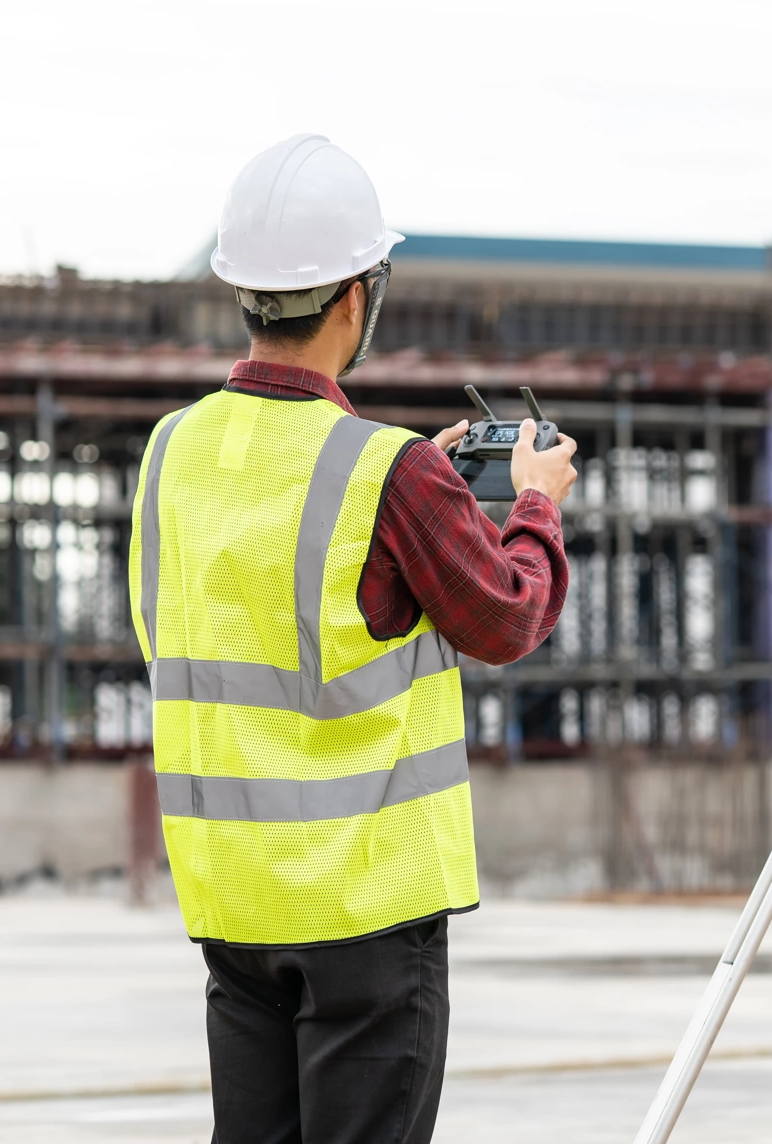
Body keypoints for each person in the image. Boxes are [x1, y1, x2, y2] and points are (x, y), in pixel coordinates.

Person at [128, 134, 578, 1144]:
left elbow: (227, 612)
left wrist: (411, 483)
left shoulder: (171, 452)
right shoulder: (385, 473)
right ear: (352, 299)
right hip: (365, 913)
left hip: (233, 906)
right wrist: (535, 505)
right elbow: (505, 618)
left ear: (242, 291)